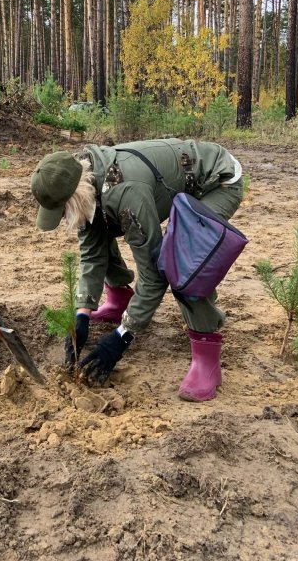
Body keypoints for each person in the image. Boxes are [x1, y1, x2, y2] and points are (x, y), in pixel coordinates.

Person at [31, 139, 243, 400]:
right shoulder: (87, 180)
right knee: (98, 224)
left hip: (217, 182)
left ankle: (206, 358)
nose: (63, 218)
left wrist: (122, 337)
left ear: (76, 196)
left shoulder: (127, 194)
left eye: (62, 211)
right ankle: (120, 298)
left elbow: (154, 275)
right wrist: (82, 313)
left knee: (180, 262)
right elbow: (92, 254)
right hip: (169, 184)